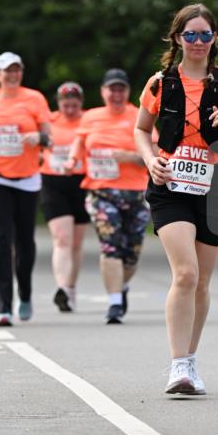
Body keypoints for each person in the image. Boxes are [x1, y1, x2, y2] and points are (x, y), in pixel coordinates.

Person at [135, 3, 218, 394]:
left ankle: (191, 358)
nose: (198, 41)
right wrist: (151, 160)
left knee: (202, 281)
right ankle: (178, 366)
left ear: (214, 39)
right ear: (177, 38)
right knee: (185, 273)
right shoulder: (159, 83)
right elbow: (140, 130)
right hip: (170, 185)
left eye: (205, 35)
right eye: (190, 35)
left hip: (215, 186)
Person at [0, 52, 52, 326]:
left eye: (16, 70)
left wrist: (36, 137)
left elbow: (49, 138)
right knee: (1, 238)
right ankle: (3, 305)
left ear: (21, 72)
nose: (12, 75)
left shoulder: (34, 99)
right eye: (7, 71)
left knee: (24, 242)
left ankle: (24, 293)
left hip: (27, 177)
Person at [65, 69, 150, 324]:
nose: (116, 94)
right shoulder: (90, 117)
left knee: (131, 252)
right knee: (110, 244)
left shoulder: (139, 116)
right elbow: (79, 142)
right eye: (111, 89)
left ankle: (120, 287)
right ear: (103, 92)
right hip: (101, 192)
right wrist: (72, 159)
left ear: (127, 92)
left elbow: (155, 151)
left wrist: (131, 157)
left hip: (136, 193)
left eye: (121, 89)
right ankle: (114, 303)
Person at [40, 82, 90, 312]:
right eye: (65, 105)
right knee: (62, 239)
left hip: (82, 182)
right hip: (53, 182)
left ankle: (70, 288)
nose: (69, 109)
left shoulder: (89, 120)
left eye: (74, 105)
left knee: (76, 243)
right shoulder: (48, 121)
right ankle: (61, 288)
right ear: (58, 104)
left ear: (81, 103)